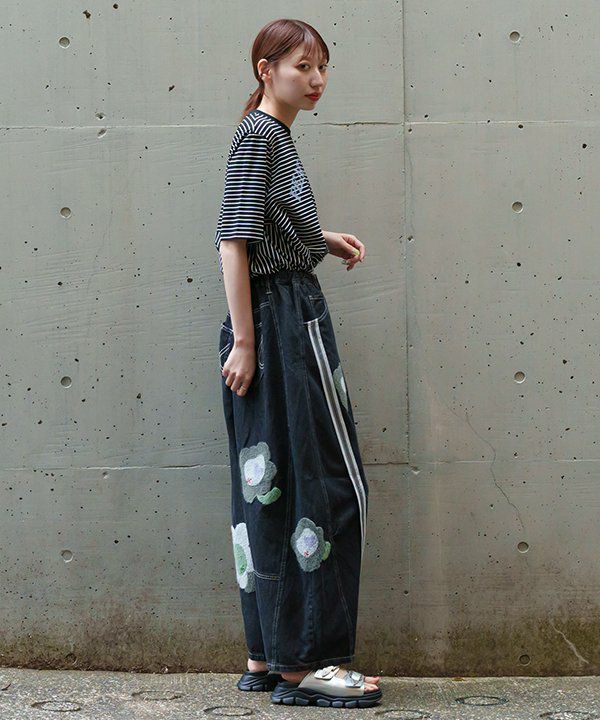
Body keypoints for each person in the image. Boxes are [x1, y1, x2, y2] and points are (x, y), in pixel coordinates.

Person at [214, 18, 383, 708]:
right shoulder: (262, 136)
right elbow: (232, 242)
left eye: (322, 67)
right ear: (266, 70)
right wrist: (247, 341)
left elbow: (262, 230)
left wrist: (320, 238)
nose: (317, 80)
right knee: (326, 487)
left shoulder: (270, 135)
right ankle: (307, 662)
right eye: (303, 66)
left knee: (271, 487)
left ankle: (269, 654)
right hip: (281, 324)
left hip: (278, 316)